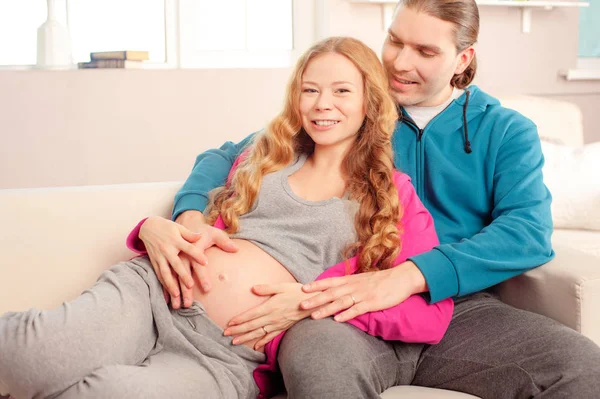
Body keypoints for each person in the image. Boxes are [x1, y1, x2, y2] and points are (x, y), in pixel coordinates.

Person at [143, 0, 600, 398]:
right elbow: (227, 155)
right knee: (318, 359)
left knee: (583, 366)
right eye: (395, 41)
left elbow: (526, 232)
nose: (401, 62)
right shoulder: (349, 106)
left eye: (425, 51)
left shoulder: (505, 130)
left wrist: (410, 276)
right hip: (338, 306)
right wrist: (189, 218)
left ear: (463, 59)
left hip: (459, 309)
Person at [0, 37, 454, 399]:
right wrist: (160, 226)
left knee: (108, 394)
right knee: (28, 353)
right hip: (153, 295)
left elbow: (427, 315)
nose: (321, 104)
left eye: (341, 91)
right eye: (310, 89)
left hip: (225, 357)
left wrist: (312, 302)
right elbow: (208, 165)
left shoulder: (390, 196)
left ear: (369, 102)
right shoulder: (268, 152)